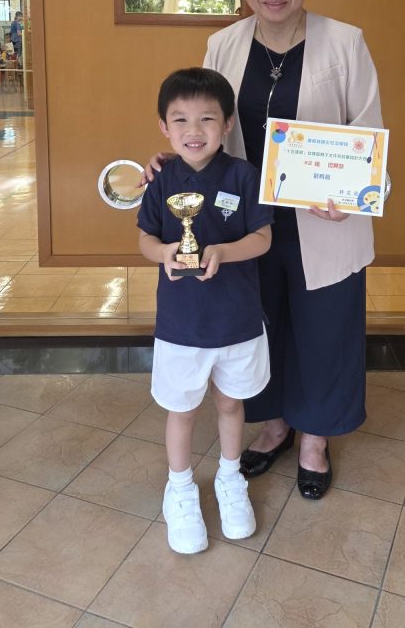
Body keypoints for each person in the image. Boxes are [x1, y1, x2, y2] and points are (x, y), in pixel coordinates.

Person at [145, 0, 383, 501]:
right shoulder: (223, 45)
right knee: (260, 327)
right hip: (243, 224)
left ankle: (314, 440)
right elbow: (205, 125)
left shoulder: (344, 42)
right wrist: (173, 160)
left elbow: (368, 135)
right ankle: (275, 424)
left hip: (322, 222)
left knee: (324, 327)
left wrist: (354, 193)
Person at [137, 67, 273, 554]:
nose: (194, 131)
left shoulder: (243, 175)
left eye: (207, 119)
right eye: (180, 120)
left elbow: (263, 237)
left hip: (238, 320)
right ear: (164, 127)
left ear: (228, 123)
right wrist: (164, 253)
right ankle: (179, 489)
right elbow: (145, 238)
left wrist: (222, 252)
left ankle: (230, 479)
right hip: (182, 325)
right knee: (182, 409)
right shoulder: (161, 179)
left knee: (231, 403)